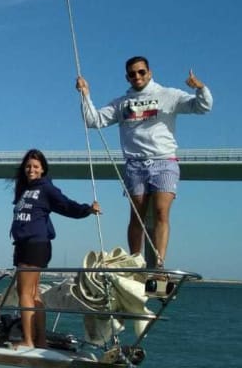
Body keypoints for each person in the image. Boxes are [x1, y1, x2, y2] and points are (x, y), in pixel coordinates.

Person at [77, 57, 212, 267]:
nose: (137, 76)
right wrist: (85, 95)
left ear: (149, 72)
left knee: (161, 212)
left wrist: (200, 87)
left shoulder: (169, 95)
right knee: (136, 216)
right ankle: (135, 262)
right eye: (132, 73)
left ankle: (159, 263)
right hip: (135, 165)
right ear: (127, 77)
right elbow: (93, 120)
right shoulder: (121, 103)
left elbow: (202, 106)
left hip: (164, 161)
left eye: (141, 72)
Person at [10, 149, 101, 349]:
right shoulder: (25, 189)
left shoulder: (46, 188)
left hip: (35, 244)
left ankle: (28, 340)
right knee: (33, 295)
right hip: (25, 245)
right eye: (28, 166)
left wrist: (87, 209)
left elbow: (65, 205)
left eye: (35, 166)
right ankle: (40, 340)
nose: (31, 169)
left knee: (24, 293)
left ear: (42, 169)